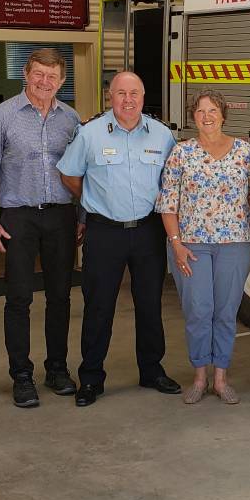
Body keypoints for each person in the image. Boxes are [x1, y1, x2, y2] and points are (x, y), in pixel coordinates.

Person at [58, 71, 180, 406]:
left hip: (148, 231)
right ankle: (91, 378)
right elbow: (69, 173)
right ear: (110, 96)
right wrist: (94, 200)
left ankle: (152, 370)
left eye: (135, 93)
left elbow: (174, 179)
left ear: (143, 97)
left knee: (150, 304)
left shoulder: (162, 134)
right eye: (121, 93)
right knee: (98, 306)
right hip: (104, 232)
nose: (128, 100)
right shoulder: (90, 133)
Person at [0, 48, 82, 408]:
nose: (44, 82)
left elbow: (81, 172)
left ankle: (57, 369)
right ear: (25, 73)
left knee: (60, 297)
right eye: (38, 74)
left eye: (52, 77)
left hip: (61, 216)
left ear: (61, 81)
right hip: (17, 215)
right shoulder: (1, 116)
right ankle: (21, 374)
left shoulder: (71, 119)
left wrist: (82, 215)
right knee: (18, 297)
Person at [156, 89, 250, 405]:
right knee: (199, 311)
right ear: (193, 117)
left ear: (223, 114)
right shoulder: (181, 153)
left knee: (226, 312)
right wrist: (176, 243)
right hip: (191, 244)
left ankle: (221, 378)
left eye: (213, 110)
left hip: (235, 243)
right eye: (200, 111)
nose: (207, 116)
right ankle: (200, 376)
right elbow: (168, 202)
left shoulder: (244, 151)